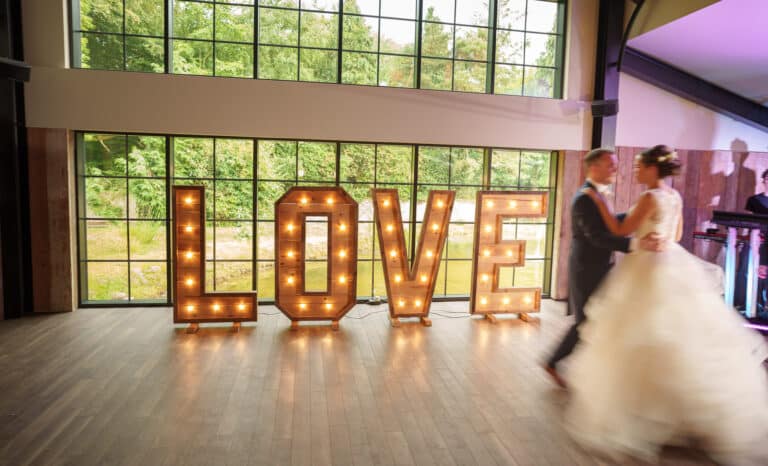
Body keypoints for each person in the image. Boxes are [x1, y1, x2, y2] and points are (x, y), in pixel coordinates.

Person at [566, 145, 768, 465]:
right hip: (674, 261)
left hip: (647, 265)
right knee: (680, 337)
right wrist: (660, 240)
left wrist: (599, 203)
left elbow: (620, 230)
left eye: (638, 166)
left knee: (642, 334)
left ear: (651, 169)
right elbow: (676, 234)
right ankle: (682, 410)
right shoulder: (674, 196)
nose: (635, 171)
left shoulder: (649, 197)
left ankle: (645, 410)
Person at [543, 148, 661, 388]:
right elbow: (596, 236)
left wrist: (635, 218)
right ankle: (552, 362)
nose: (615, 169)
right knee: (586, 320)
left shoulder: (598, 195)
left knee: (599, 318)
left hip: (602, 265)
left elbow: (608, 221)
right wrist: (636, 242)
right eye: (611, 165)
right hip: (586, 267)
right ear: (594, 167)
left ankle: (593, 369)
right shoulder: (584, 198)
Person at [734, 169, 768, 311]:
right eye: (767, 178)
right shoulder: (754, 200)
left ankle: (763, 303)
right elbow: (746, 222)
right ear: (763, 180)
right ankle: (741, 303)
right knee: (745, 267)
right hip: (756, 239)